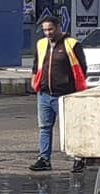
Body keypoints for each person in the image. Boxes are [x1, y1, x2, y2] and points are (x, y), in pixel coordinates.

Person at [29, 15, 88, 172]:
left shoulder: (72, 44)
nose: (47, 33)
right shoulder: (41, 44)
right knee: (44, 127)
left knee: (71, 128)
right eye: (45, 30)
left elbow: (82, 69)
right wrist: (35, 82)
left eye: (50, 29)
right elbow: (36, 66)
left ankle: (78, 158)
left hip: (66, 95)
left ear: (58, 27)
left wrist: (77, 92)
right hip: (44, 94)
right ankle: (44, 159)